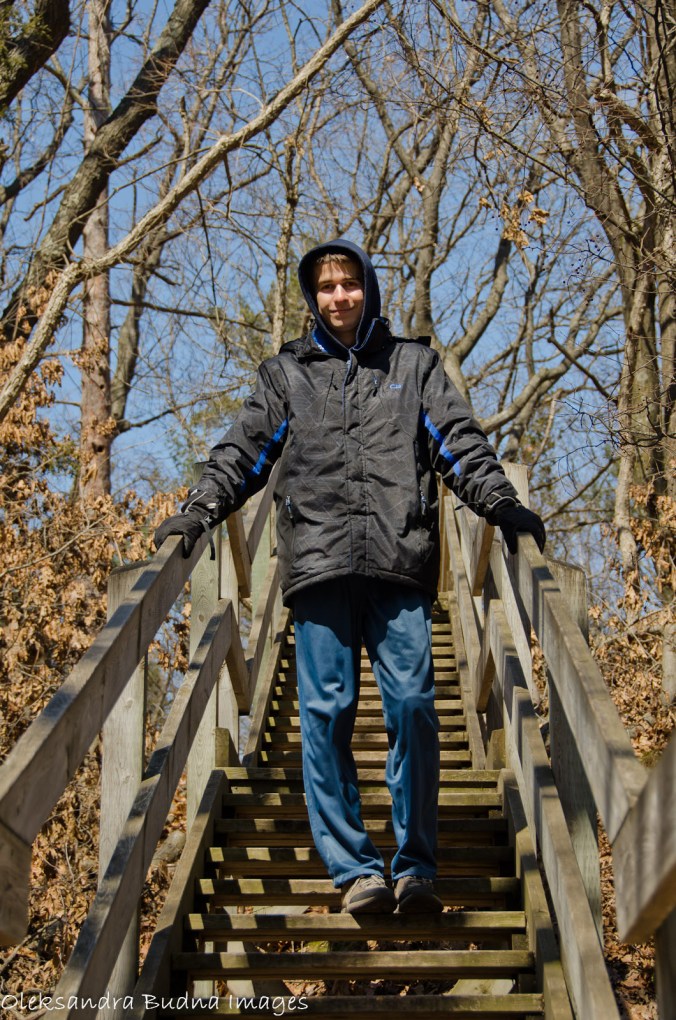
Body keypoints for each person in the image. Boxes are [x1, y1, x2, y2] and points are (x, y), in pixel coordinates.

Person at [154, 239, 546, 915]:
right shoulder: (287, 376)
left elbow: (459, 443)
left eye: (350, 284)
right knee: (327, 714)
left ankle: (416, 863)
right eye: (327, 287)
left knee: (416, 709)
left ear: (369, 287)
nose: (340, 297)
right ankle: (355, 869)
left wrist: (501, 503)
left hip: (400, 561)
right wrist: (199, 511)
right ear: (312, 298)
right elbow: (243, 451)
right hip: (318, 566)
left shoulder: (413, 365)